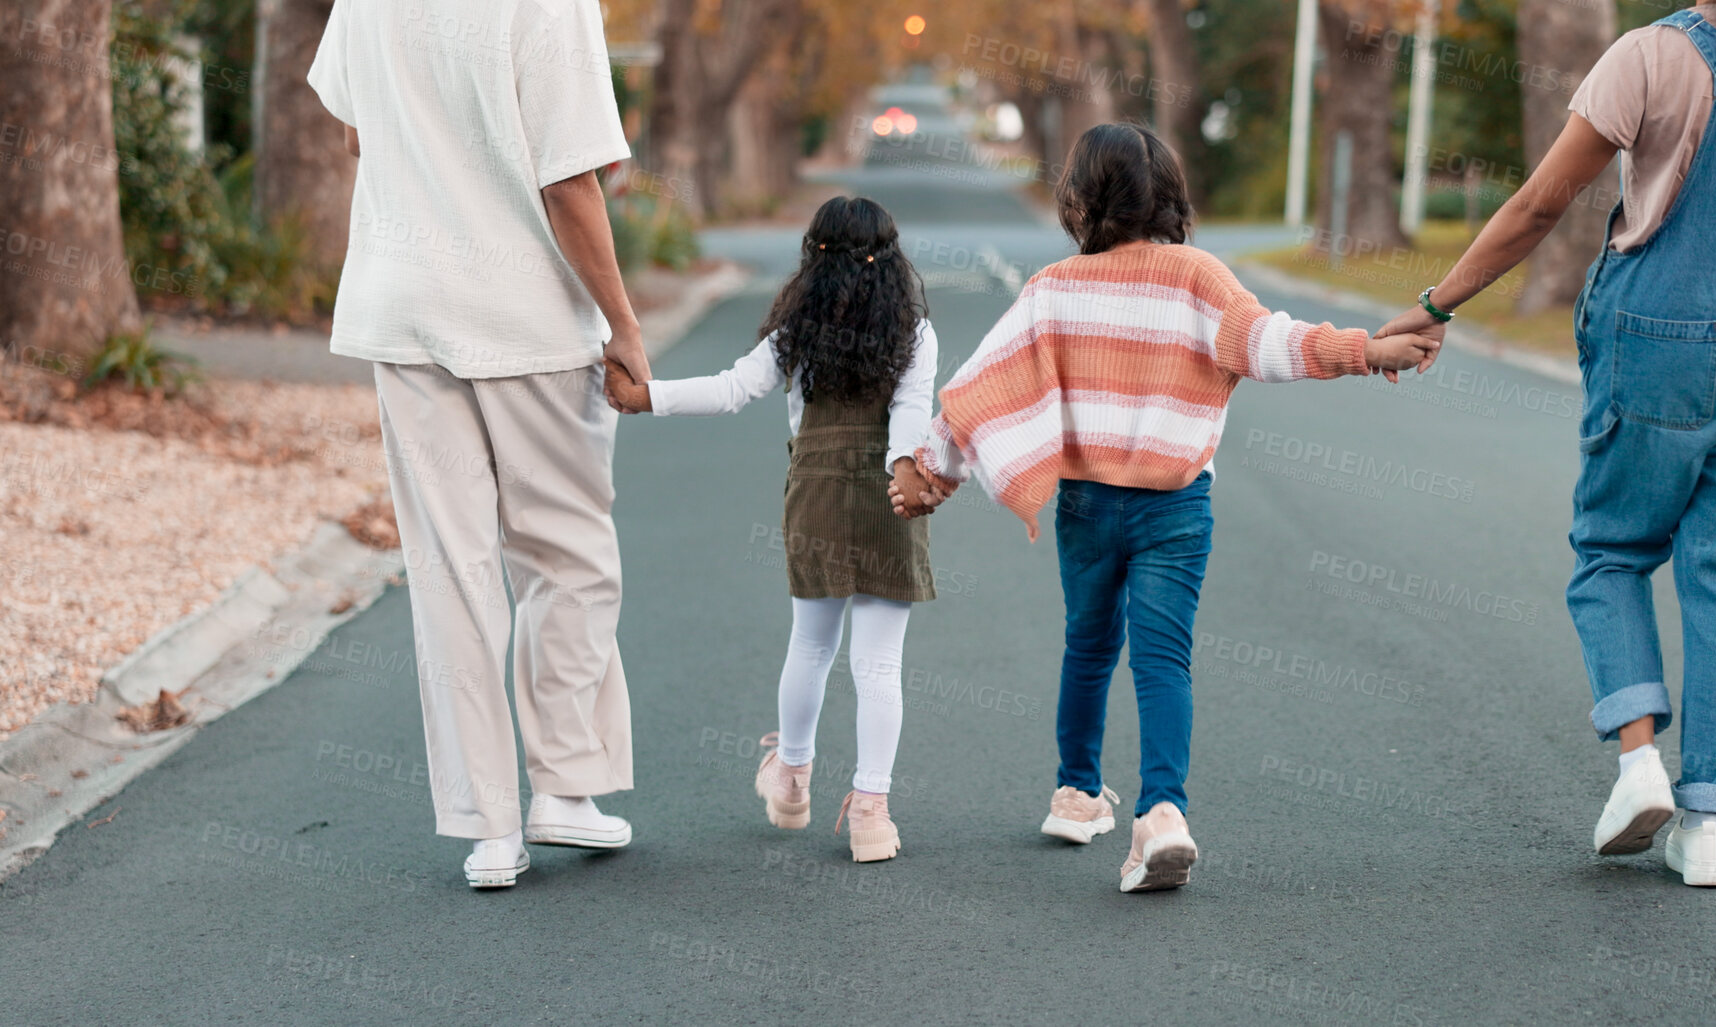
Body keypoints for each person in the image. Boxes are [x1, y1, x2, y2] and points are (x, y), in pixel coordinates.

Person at [1374, 0, 1716, 886]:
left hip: (1657, 339)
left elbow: (1540, 204)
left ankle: (1639, 763)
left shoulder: (1648, 56)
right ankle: (1708, 826)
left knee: (1610, 551)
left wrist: (1434, 304)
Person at [889, 123, 1439, 893]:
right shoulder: (1199, 278)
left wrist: (928, 467)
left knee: (1087, 645)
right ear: (1170, 195)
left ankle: (1076, 794)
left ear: (1080, 198)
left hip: (1085, 506)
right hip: (1175, 508)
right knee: (1161, 657)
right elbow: (1270, 343)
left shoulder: (1053, 287)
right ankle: (1161, 814)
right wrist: (1366, 351)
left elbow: (984, 383)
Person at [308, 0, 654, 888]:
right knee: (567, 554)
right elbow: (569, 179)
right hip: (526, 316)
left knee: (449, 573)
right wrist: (622, 322)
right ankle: (567, 788)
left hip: (404, 305)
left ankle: (488, 828)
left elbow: (355, 135)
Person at [606, 197, 937, 863]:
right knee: (878, 663)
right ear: (891, 257)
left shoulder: (798, 329)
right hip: (885, 493)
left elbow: (732, 389)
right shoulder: (914, 332)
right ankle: (871, 810)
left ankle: (790, 778)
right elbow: (910, 413)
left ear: (812, 257)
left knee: (810, 647)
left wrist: (649, 397)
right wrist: (902, 467)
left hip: (814, 491)